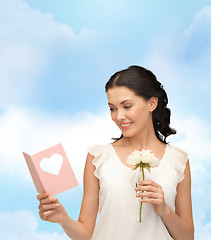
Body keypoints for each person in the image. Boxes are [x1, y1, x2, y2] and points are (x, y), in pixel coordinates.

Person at [37, 65, 194, 240]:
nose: (118, 117)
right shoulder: (98, 158)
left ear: (152, 103)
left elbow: (187, 237)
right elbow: (86, 233)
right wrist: (63, 220)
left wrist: (164, 209)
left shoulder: (178, 160)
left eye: (127, 106)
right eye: (112, 108)